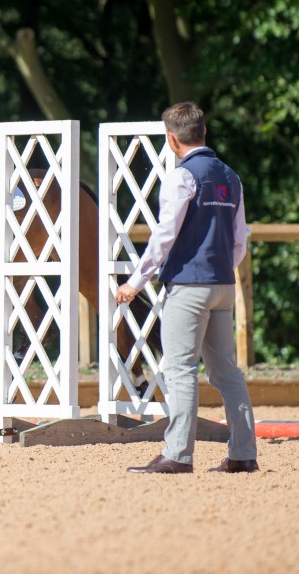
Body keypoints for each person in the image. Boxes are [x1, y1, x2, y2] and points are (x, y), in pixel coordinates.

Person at [116, 101, 258, 474]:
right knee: (227, 373)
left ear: (171, 140)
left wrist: (135, 281)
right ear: (203, 132)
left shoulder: (182, 177)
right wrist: (220, 269)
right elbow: (240, 240)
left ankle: (178, 454)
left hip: (189, 286)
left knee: (179, 370)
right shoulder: (231, 177)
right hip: (223, 285)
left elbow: (164, 236)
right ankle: (243, 453)